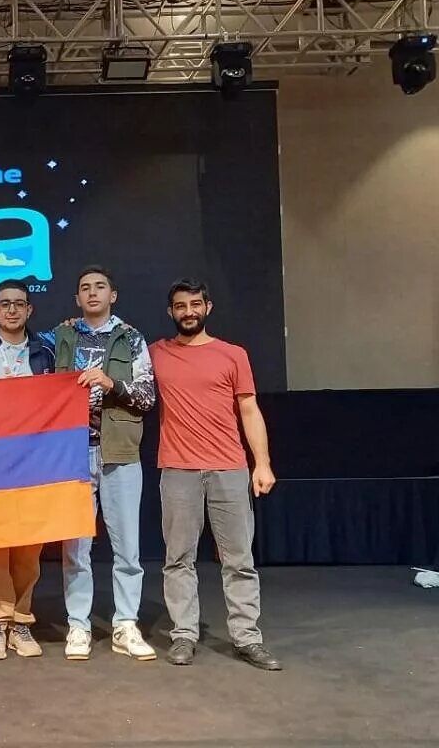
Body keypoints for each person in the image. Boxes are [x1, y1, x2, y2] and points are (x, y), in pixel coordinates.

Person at [148, 278, 282, 671]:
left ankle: (247, 638)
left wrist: (262, 462)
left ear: (207, 307)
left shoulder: (232, 354)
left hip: (229, 467)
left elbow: (249, 410)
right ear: (170, 311)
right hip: (178, 468)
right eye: (180, 306)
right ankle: (184, 635)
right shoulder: (155, 353)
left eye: (195, 304)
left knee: (239, 559)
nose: (188, 312)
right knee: (178, 558)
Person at [37, 266, 157, 662]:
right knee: (75, 548)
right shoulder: (60, 336)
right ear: (77, 298)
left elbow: (147, 397)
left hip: (119, 451)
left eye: (100, 287)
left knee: (127, 547)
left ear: (113, 295)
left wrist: (111, 383)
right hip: (71, 453)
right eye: (85, 288)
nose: (92, 293)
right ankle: (79, 625)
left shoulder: (132, 338)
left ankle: (126, 624)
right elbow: (15, 344)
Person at [0, 280, 54, 661]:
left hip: (33, 462)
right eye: (5, 304)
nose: (13, 310)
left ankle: (20, 620)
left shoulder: (45, 352)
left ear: (29, 309)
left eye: (20, 304)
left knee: (28, 545)